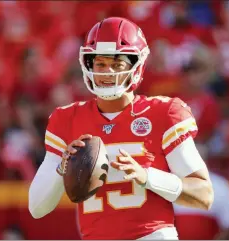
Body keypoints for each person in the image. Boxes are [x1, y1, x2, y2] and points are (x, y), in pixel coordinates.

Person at [29, 17, 214, 240]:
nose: (108, 72)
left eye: (117, 64)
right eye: (101, 64)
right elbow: (37, 208)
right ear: (88, 64)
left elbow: (203, 194)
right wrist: (61, 168)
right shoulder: (67, 118)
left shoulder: (164, 113)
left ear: (136, 66)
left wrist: (148, 177)